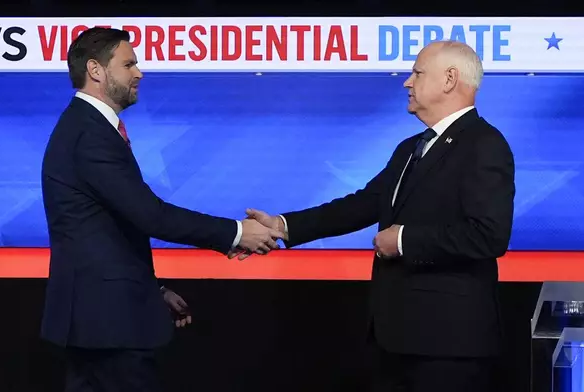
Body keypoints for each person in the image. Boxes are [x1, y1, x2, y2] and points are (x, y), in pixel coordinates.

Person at [238, 40, 515, 391]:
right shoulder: (410, 147)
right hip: (396, 339)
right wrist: (284, 225)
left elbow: (488, 234)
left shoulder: (484, 144)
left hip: (448, 344)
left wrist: (402, 240)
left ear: (449, 79)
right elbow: (363, 204)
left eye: (417, 73)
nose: (407, 82)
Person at [40, 27, 284, 392]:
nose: (139, 73)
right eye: (128, 64)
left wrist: (152, 290)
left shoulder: (86, 127)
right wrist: (236, 232)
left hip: (102, 320)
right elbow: (149, 214)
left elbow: (107, 231)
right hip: (109, 325)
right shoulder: (89, 133)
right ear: (96, 69)